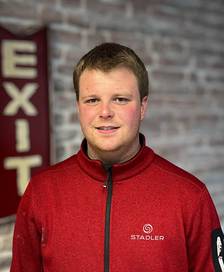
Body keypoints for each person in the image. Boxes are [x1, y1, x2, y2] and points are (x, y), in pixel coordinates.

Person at [10, 42, 223, 272]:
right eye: (92, 100)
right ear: (78, 107)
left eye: (120, 99)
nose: (105, 112)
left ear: (142, 106)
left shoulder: (190, 197)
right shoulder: (42, 192)